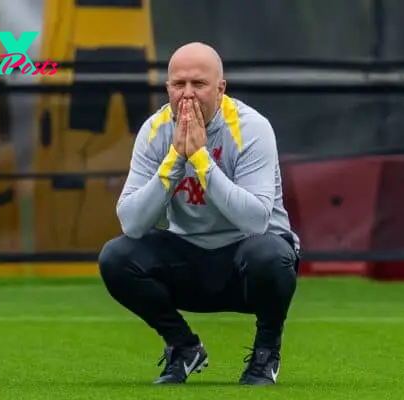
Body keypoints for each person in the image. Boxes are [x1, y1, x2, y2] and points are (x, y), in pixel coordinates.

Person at [98, 42, 300, 386]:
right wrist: (176, 159)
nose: (187, 95)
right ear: (167, 88)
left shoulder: (251, 128)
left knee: (271, 254)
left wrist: (202, 160)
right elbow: (131, 223)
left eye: (199, 84)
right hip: (188, 260)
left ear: (220, 89)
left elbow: (255, 222)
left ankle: (266, 353)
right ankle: (183, 346)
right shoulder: (155, 130)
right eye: (178, 85)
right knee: (116, 257)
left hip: (246, 263)